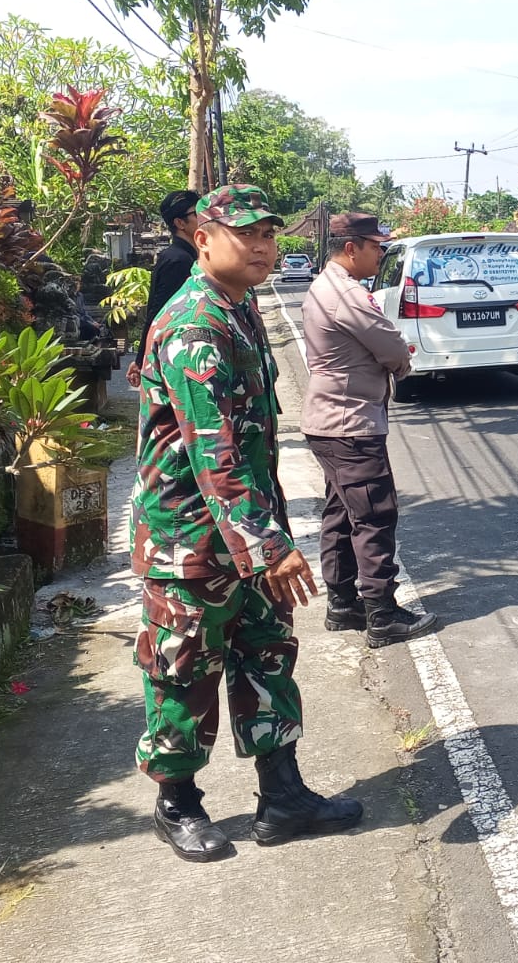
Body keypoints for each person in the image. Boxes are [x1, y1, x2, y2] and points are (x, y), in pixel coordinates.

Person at [130, 183, 362, 862]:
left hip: (249, 534)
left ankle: (282, 795)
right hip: (190, 542)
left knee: (267, 655)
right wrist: (269, 548)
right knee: (184, 671)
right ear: (202, 239)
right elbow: (215, 453)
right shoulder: (195, 324)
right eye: (246, 234)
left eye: (269, 234)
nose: (263, 246)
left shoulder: (239, 308)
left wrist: (265, 542)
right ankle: (177, 804)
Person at [301, 211, 439, 648]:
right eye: (377, 246)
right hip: (351, 424)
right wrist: (401, 365)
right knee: (374, 516)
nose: (382, 254)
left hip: (331, 421)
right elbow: (391, 346)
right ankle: (381, 614)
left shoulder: (325, 287)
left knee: (342, 512)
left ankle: (343, 603)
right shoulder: (347, 293)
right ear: (351, 248)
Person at [125, 189, 201, 388]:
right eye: (197, 213)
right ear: (180, 223)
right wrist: (141, 360)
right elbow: (159, 313)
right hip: (179, 356)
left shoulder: (186, 256)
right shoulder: (178, 261)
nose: (204, 217)